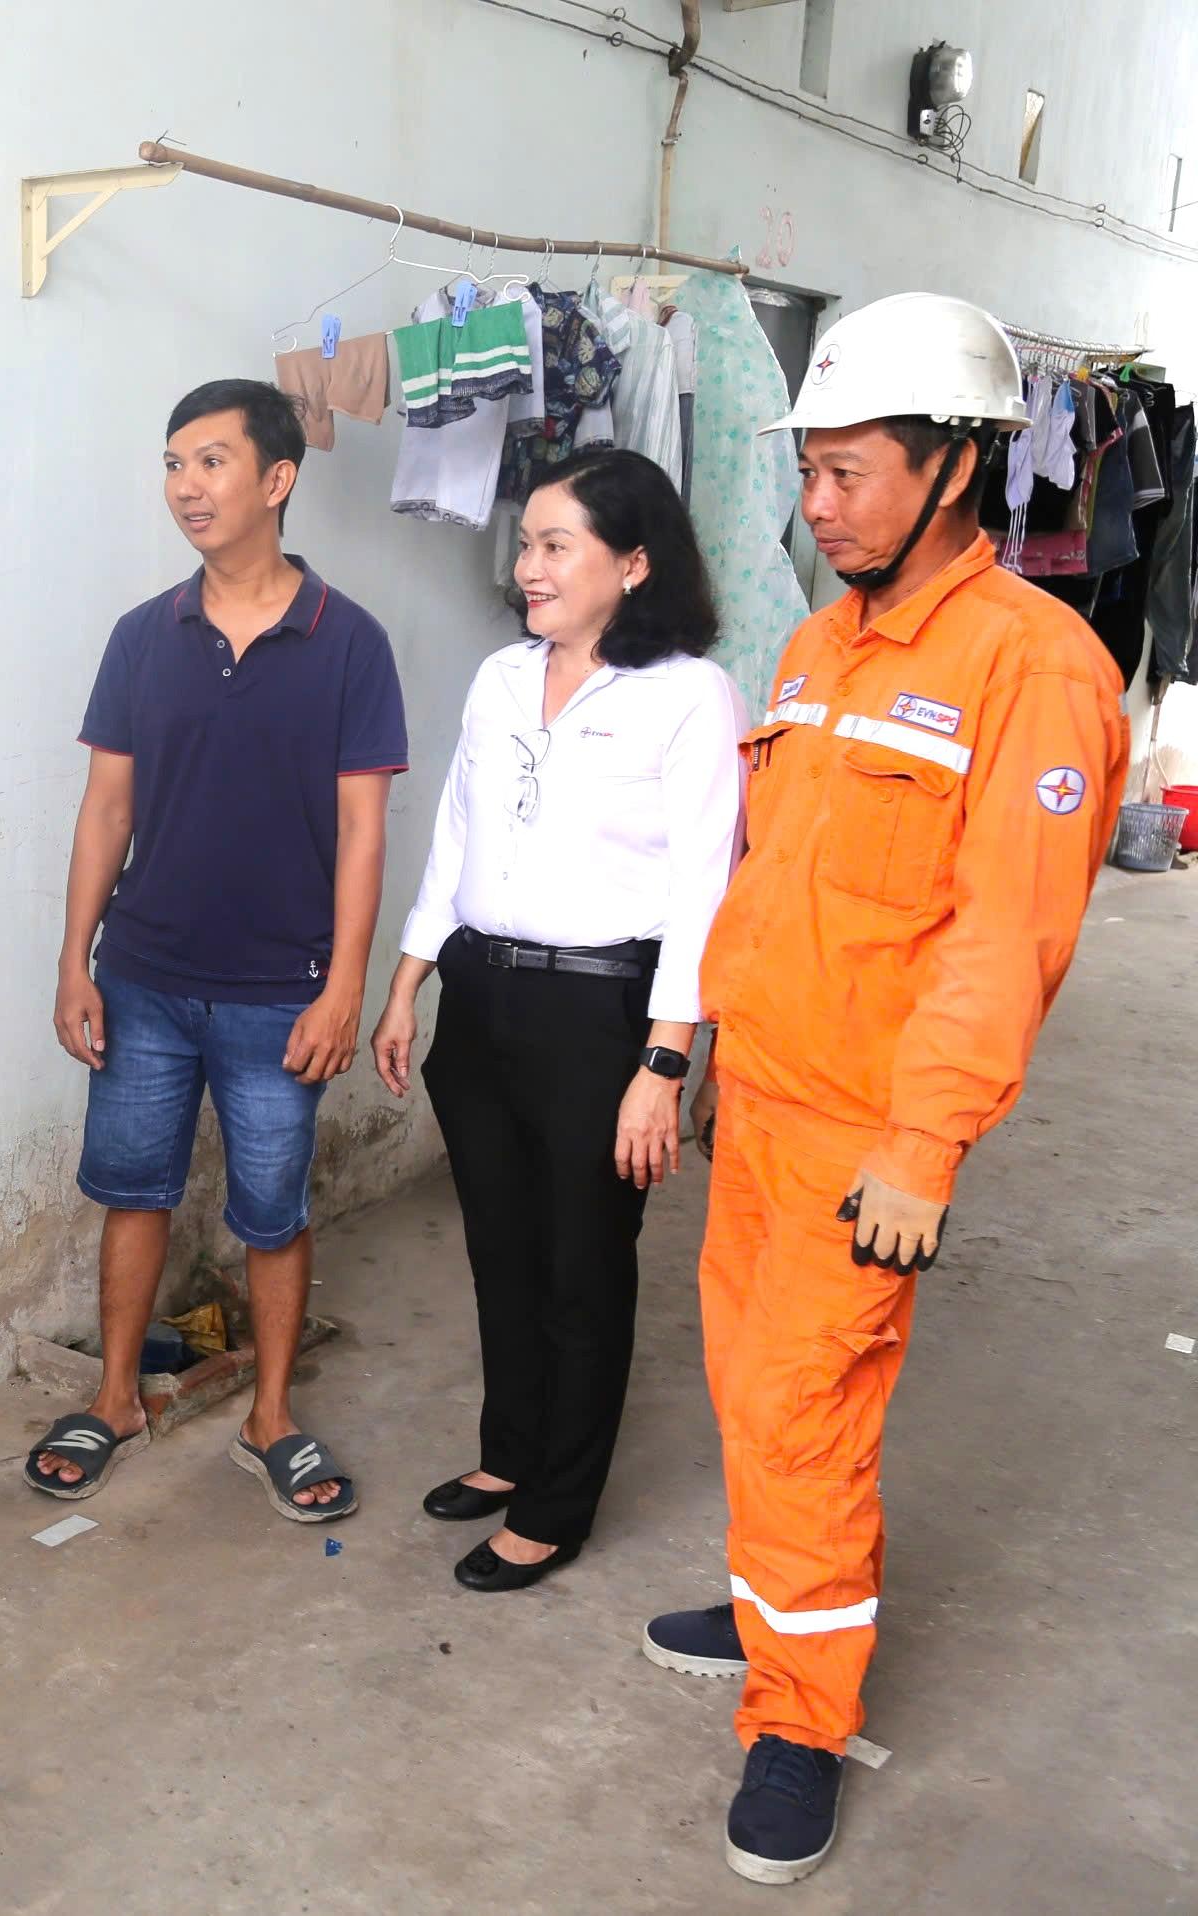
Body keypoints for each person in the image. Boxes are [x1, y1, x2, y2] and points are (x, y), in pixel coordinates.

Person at [638, 294, 1128, 1886]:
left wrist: (926, 1145)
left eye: (850, 474)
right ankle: (774, 1598)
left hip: (869, 1139)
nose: (820, 506)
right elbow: (774, 879)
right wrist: (701, 1055)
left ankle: (801, 1717)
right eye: (813, 472)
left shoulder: (1033, 670)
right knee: (748, 1391)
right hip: (764, 1106)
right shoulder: (816, 645)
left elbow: (1006, 937)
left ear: (957, 469)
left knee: (807, 1414)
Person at [371, 448, 744, 1592]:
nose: (526, 566)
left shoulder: (689, 695)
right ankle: (509, 1450)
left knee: (581, 1263)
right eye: (525, 543)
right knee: (500, 1245)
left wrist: (663, 1062)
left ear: (632, 562)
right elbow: (457, 831)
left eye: (552, 545)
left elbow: (705, 892)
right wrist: (409, 978)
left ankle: (555, 1504)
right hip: (483, 992)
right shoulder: (499, 677)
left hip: (602, 1010)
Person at [35, 377, 405, 1522]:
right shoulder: (143, 636)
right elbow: (106, 808)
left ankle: (271, 1416)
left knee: (272, 1211)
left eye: (210, 461)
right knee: (132, 1191)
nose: (185, 486)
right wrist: (74, 957)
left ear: (276, 479)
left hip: (281, 990)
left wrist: (344, 987)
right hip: (143, 978)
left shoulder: (348, 641)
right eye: (172, 462)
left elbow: (362, 830)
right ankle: (113, 1397)